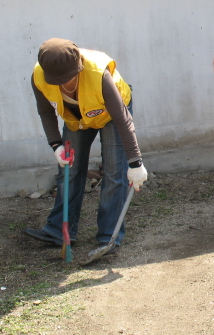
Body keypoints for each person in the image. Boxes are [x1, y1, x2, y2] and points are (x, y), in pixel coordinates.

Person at [24, 38, 148, 254]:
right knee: (69, 171)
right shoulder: (39, 76)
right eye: (57, 80)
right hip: (76, 118)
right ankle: (58, 231)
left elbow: (123, 119)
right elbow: (45, 112)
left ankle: (109, 237)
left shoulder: (98, 74)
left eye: (68, 78)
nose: (64, 84)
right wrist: (56, 146)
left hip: (110, 115)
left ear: (78, 68)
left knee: (114, 173)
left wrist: (135, 163)